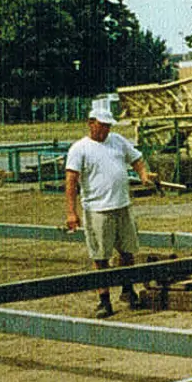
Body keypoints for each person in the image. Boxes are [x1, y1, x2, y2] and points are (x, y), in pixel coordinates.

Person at [65, 103, 155, 317]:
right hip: (98, 210)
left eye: (108, 126)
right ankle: (104, 300)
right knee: (101, 257)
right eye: (102, 125)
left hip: (122, 205)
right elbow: (71, 182)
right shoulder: (80, 149)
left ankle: (128, 290)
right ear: (91, 123)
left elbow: (137, 159)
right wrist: (71, 212)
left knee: (127, 252)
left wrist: (143, 174)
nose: (106, 130)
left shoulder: (117, 141)